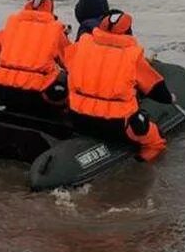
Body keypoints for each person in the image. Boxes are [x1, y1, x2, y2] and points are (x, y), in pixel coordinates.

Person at [62, 10, 171, 161]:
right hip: (116, 124)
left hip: (78, 117)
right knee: (156, 139)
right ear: (128, 31)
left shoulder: (81, 45)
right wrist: (170, 98)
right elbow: (156, 89)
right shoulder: (133, 55)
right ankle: (142, 164)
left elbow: (66, 65)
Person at [0, 0, 71, 117]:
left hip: (5, 92)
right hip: (38, 96)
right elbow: (72, 63)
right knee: (64, 77)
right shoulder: (56, 30)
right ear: (50, 9)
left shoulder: (11, 25)